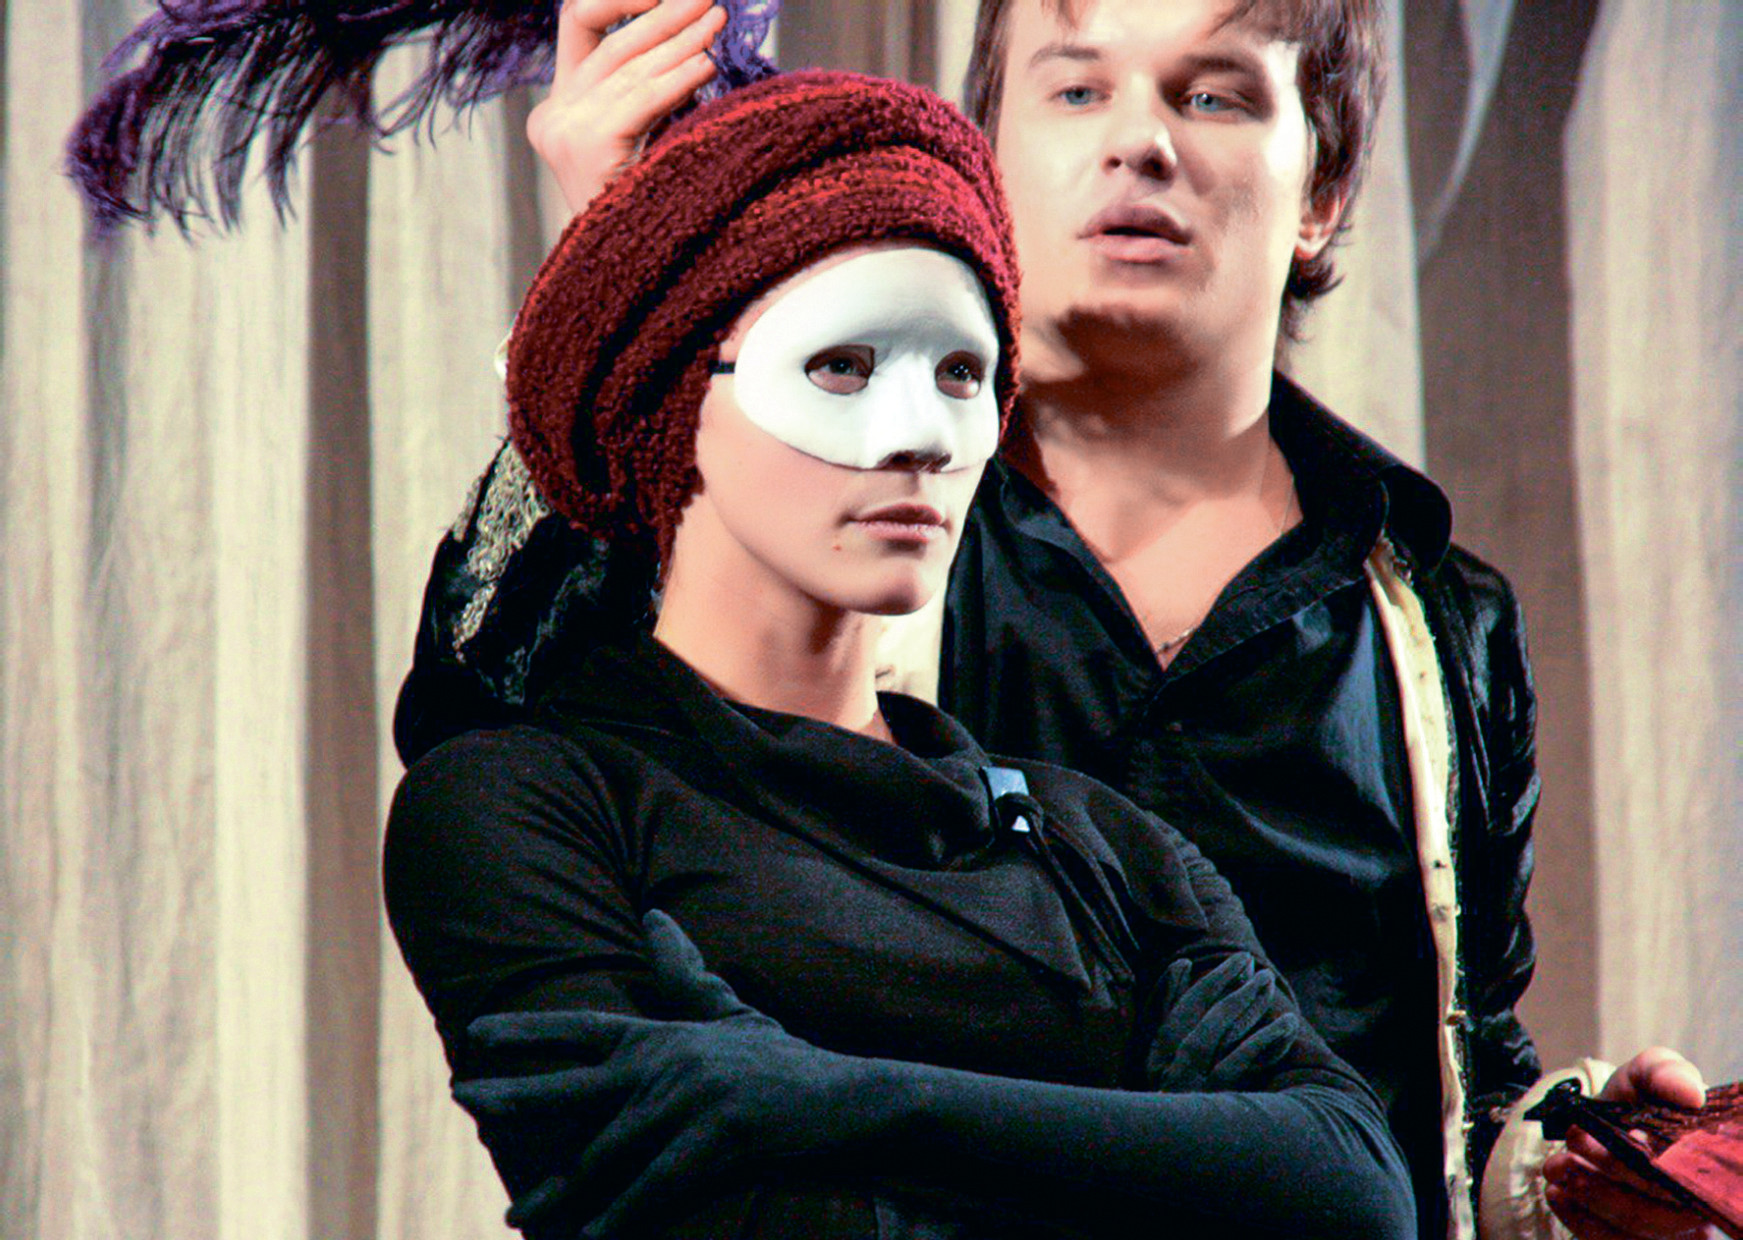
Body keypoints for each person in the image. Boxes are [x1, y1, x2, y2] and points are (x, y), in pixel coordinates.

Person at [386, 4, 1716, 1240]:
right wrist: (630, 247)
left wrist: (1566, 1169)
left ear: (1320, 189)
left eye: (1212, 94)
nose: (1140, 141)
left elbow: (1430, 1093)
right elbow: (488, 733)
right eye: (1077, 89)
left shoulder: (1435, 621)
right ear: (991, 153)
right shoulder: (848, 533)